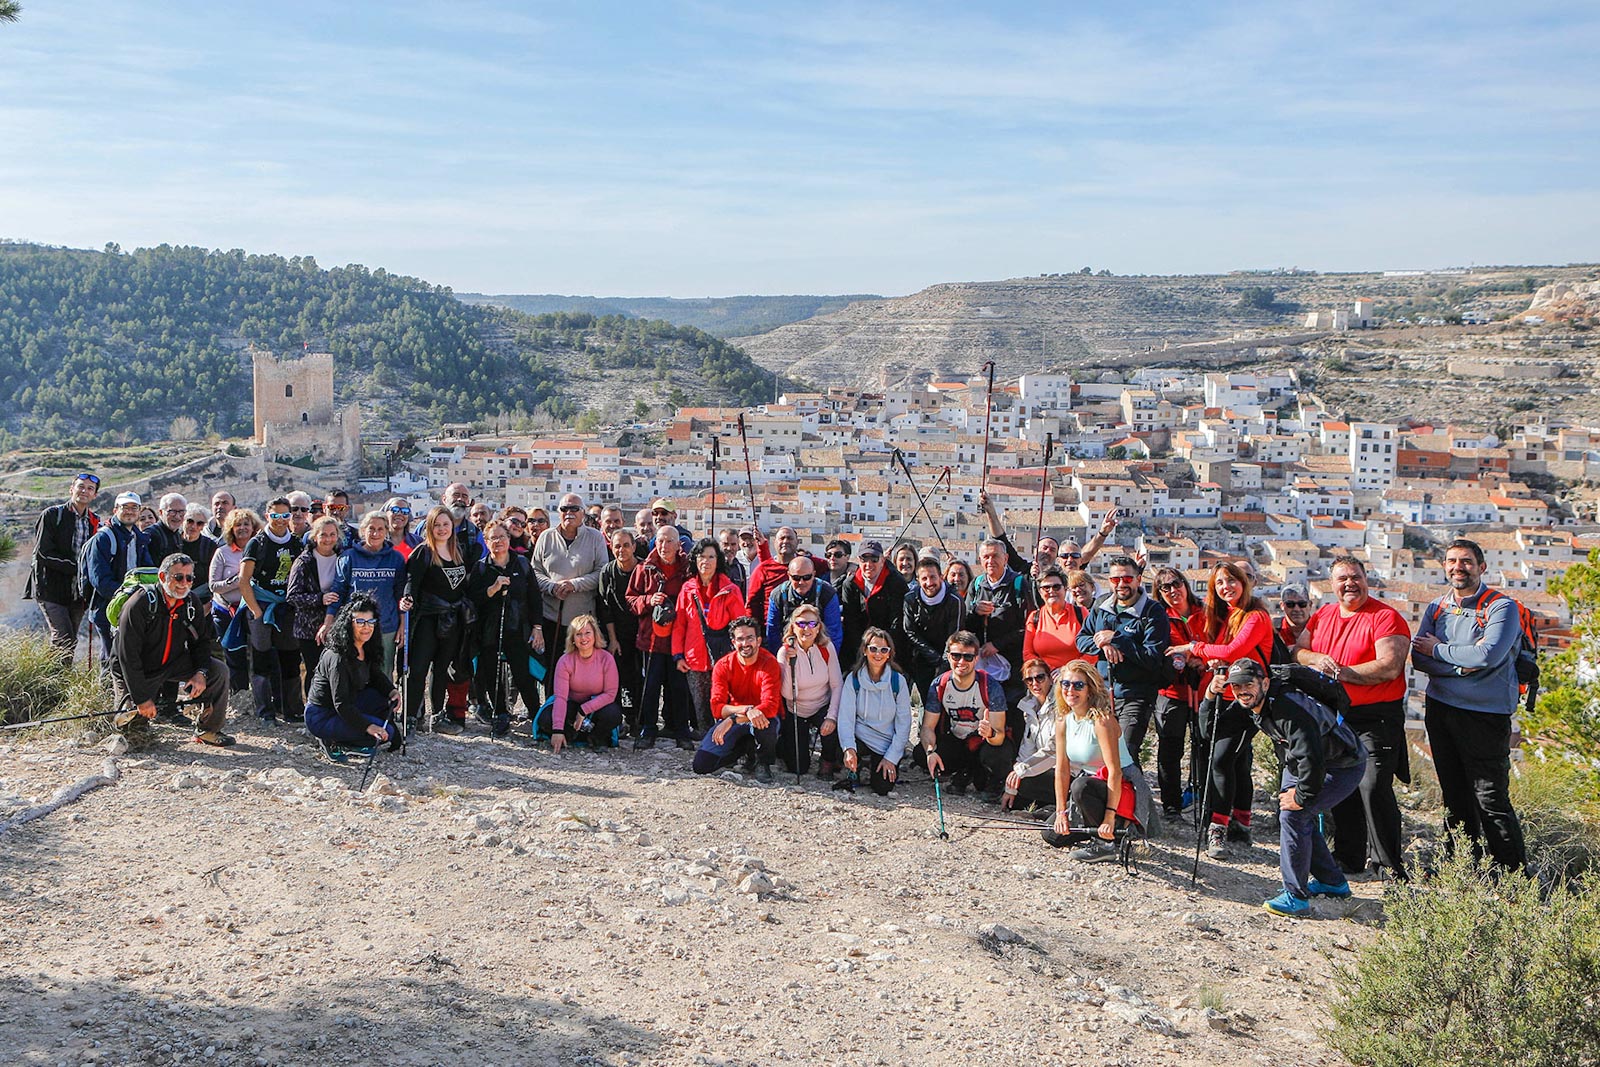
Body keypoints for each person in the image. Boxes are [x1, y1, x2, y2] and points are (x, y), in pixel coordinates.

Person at [1201, 659, 1367, 916]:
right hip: (1298, 761)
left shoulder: (1289, 708)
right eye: (1236, 687)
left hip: (1341, 763)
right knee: (1295, 815)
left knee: (1294, 813)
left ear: (1264, 683)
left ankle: (1296, 896)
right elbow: (1212, 730)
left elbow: (1312, 758)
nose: (1242, 691)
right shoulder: (1251, 703)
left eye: (1248, 684)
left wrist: (1301, 797)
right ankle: (1332, 882)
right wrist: (1211, 695)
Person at [1410, 539, 1528, 872]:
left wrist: (1439, 651)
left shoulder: (1501, 607)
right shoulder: (1437, 607)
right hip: (1441, 708)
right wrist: (1461, 665)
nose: (1457, 567)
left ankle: (1513, 874)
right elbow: (1419, 657)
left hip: (1486, 716)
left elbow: (1488, 654)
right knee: (1454, 794)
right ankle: (1460, 865)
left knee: (1490, 797)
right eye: (1451, 561)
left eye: (1466, 561)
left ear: (1481, 567)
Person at [1293, 556, 1411, 881]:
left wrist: (1342, 673)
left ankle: (1388, 865)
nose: (1349, 584)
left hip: (1376, 716)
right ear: (1332, 584)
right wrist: (1317, 659)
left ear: (1366, 578)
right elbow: (1299, 651)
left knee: (1373, 785)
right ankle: (1349, 857)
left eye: (1355, 577)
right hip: (1336, 715)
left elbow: (1390, 665)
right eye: (1342, 578)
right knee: (1343, 784)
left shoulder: (1386, 617)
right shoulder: (1324, 615)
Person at [1170, 561, 1275, 855]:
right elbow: (1223, 653)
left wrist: (1193, 648)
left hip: (1247, 700)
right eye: (1219, 584)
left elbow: (1232, 651)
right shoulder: (1226, 615)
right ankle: (1241, 822)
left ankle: (1218, 826)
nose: (1226, 587)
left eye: (1231, 581)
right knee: (1236, 762)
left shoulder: (1255, 616)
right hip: (1222, 694)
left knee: (1221, 759)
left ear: (1243, 582)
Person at [110, 553, 233, 746]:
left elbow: (201, 643)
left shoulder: (192, 604)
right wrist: (142, 699)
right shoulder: (138, 604)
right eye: (178, 577)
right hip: (137, 669)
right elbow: (127, 656)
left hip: (172, 662)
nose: (184, 583)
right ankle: (131, 716)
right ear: (162, 577)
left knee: (219, 672)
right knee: (132, 729)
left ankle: (208, 730)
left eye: (189, 578)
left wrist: (201, 673)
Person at [1043, 660, 1153, 861]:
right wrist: (1060, 812)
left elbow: (1115, 772)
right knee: (1051, 834)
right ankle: (1101, 831)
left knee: (1080, 786)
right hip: (1092, 788)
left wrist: (1110, 815)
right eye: (1065, 684)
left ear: (1090, 689)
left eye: (1078, 685)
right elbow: (1061, 769)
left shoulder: (1102, 721)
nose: (1070, 690)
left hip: (1120, 787)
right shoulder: (1063, 721)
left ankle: (1108, 841)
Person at [1075, 554, 1170, 769]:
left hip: (1135, 695)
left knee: (1125, 752)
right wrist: (1103, 643)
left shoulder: (1153, 612)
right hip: (1102, 693)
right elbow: (1081, 640)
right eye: (1115, 579)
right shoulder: (1101, 606)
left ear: (1138, 579)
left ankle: (1135, 801)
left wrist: (1118, 640)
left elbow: (1152, 657)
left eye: (1127, 579)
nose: (1121, 584)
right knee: (1098, 752)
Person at [468, 520, 546, 738]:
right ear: (486, 541)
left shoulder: (521, 564)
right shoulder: (481, 567)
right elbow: (473, 599)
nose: (498, 542)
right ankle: (500, 714)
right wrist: (492, 589)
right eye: (493, 538)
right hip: (489, 629)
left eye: (502, 537)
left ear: (509, 539)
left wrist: (537, 627)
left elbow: (534, 598)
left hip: (518, 628)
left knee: (522, 673)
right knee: (492, 673)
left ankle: (535, 713)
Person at [400, 505, 474, 731]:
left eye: (446, 524)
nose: (442, 529)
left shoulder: (460, 551)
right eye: (437, 525)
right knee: (418, 669)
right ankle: (410, 717)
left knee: (441, 669)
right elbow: (412, 582)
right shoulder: (423, 552)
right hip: (428, 619)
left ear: (453, 525)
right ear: (430, 528)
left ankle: (438, 715)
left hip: (452, 619)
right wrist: (407, 599)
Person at [304, 594, 402, 761]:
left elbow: (376, 675)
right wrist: (368, 726)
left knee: (385, 702)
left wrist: (392, 691)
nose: (366, 627)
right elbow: (341, 704)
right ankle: (333, 741)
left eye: (371, 622)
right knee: (384, 732)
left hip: (351, 701)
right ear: (348, 624)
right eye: (360, 622)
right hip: (324, 715)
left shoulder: (366, 646)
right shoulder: (338, 657)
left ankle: (350, 735)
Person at [239, 496, 305, 725]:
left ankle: (292, 710)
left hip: (286, 607)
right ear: (267, 516)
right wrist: (256, 611)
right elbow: (244, 580)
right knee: (261, 659)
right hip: (262, 605)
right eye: (275, 515)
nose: (280, 520)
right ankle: (265, 712)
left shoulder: (296, 544)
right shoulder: (257, 543)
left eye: (284, 515)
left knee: (290, 658)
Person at [692, 616, 783, 782]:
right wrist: (745, 711)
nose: (745, 643)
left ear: (759, 640)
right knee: (701, 765)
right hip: (737, 717)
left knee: (765, 721)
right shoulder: (723, 665)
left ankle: (763, 762)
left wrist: (733, 719)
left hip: (760, 718)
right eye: (740, 639)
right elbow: (716, 707)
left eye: (750, 638)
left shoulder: (769, 663)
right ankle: (741, 751)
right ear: (733, 642)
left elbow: (770, 706)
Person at [628, 524, 695, 749]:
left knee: (679, 687)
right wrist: (649, 600)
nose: (664, 546)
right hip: (652, 639)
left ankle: (681, 731)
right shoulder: (644, 568)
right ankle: (648, 729)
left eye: (669, 542)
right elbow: (630, 599)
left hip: (679, 640)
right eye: (660, 541)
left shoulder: (687, 568)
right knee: (650, 687)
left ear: (678, 545)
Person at [921, 630, 1010, 798]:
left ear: (976, 659)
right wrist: (930, 752)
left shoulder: (990, 686)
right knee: (921, 754)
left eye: (968, 657)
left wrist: (989, 732)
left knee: (997, 753)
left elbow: (1000, 735)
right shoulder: (939, 684)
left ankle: (992, 779)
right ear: (948, 657)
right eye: (956, 656)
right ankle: (965, 770)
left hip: (984, 742)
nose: (961, 662)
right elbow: (927, 727)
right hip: (958, 740)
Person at [674, 538, 745, 737]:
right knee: (701, 707)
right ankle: (708, 745)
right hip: (694, 658)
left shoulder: (730, 590)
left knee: (723, 704)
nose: (706, 561)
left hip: (723, 659)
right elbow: (679, 624)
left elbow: (740, 625)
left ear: (718, 560)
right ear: (695, 560)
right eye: (702, 556)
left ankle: (726, 743)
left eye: (711, 557)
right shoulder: (687, 589)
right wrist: (677, 655)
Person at [25, 472, 100, 663]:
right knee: (63, 638)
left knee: (70, 640)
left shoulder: (95, 521)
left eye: (90, 489)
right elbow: (44, 553)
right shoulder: (52, 515)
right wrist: (78, 568)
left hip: (78, 593)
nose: (84, 491)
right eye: (80, 486)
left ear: (95, 495)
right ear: (71, 489)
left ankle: (57, 681)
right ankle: (50, 684)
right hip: (50, 588)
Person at [1151, 566, 1204, 824]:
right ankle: (1171, 805)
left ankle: (1201, 796)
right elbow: (1163, 650)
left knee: (1203, 746)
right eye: (1165, 587)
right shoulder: (1158, 616)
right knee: (1170, 751)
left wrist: (1198, 657)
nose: (1173, 590)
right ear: (1159, 593)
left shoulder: (1205, 612)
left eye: (1176, 583)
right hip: (1171, 692)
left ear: (1185, 583)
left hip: (1203, 689)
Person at [835, 627, 914, 796]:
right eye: (873, 649)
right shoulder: (853, 679)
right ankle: (856, 764)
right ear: (864, 650)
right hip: (861, 735)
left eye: (883, 650)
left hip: (886, 742)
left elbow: (904, 724)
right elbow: (846, 718)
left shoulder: (897, 681)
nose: (878, 654)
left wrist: (891, 758)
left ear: (889, 654)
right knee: (836, 745)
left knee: (883, 787)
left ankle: (874, 765)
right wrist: (849, 748)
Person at [530, 492, 609, 656]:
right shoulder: (546, 537)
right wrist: (552, 587)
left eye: (574, 508)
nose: (569, 512)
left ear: (583, 513)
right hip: (550, 617)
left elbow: (602, 572)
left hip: (583, 622)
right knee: (551, 671)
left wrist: (575, 584)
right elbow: (535, 572)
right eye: (564, 508)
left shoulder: (595, 538)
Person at [333, 511, 408, 675]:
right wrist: (329, 622)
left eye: (380, 529)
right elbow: (338, 592)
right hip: (355, 626)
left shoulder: (396, 559)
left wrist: (403, 625)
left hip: (386, 626)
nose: (375, 533)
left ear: (386, 531)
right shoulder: (348, 557)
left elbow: (400, 594)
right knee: (355, 675)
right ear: (362, 530)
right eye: (371, 528)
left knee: (383, 675)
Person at [776, 603, 844, 777]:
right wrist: (791, 664)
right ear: (793, 627)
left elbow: (837, 685)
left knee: (831, 728)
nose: (807, 629)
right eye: (801, 624)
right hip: (796, 709)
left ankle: (828, 759)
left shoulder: (826, 647)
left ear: (818, 627)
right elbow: (788, 694)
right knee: (798, 768)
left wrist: (831, 717)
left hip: (822, 704)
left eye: (812, 624)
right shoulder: (784, 653)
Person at [539, 614, 623, 750]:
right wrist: (558, 730)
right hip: (570, 704)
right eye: (578, 634)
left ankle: (597, 737)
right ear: (572, 639)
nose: (583, 638)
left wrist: (584, 710)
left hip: (596, 706)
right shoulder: (565, 661)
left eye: (587, 633)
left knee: (614, 714)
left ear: (595, 635)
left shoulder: (606, 658)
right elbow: (560, 698)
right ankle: (568, 735)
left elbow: (610, 694)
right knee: (545, 718)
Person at [86, 491, 152, 658]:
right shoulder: (103, 538)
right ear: (115, 509)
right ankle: (107, 685)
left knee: (128, 657)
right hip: (108, 608)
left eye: (134, 507)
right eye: (125, 507)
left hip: (133, 606)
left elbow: (147, 570)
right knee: (111, 657)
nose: (129, 511)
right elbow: (100, 579)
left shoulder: (139, 538)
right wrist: (125, 597)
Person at [968, 538, 1030, 716]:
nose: (990, 561)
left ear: (1006, 558)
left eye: (995, 556)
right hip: (982, 663)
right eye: (986, 557)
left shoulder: (1018, 584)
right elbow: (964, 624)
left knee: (1011, 713)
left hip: (1012, 664)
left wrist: (998, 645)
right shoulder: (977, 584)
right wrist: (974, 611)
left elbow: (1028, 626)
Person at [286, 516, 345, 687]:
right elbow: (292, 596)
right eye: (323, 535)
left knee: (336, 671)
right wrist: (320, 599)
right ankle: (313, 710)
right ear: (315, 536)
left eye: (332, 534)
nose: (328, 539)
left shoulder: (344, 558)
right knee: (314, 671)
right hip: (309, 629)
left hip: (337, 624)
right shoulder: (303, 562)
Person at [208, 507, 259, 703]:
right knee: (233, 653)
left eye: (246, 524)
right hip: (226, 610)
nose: (243, 528)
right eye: (238, 525)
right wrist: (238, 580)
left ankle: (259, 697)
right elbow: (213, 585)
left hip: (252, 608)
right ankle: (238, 695)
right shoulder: (222, 553)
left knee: (258, 653)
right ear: (231, 529)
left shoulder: (259, 549)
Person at [902, 554, 966, 704]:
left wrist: (942, 663)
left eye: (932, 577)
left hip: (949, 659)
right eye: (924, 579)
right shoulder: (910, 599)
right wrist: (933, 657)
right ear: (918, 580)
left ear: (941, 577)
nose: (929, 583)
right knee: (926, 702)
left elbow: (954, 636)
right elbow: (910, 631)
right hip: (921, 657)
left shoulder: (954, 600)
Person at [597, 528, 643, 727]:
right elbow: (604, 608)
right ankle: (616, 722)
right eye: (617, 546)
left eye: (626, 545)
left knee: (638, 679)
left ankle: (638, 721)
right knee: (615, 678)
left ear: (633, 546)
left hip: (641, 634)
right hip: (616, 633)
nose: (622, 550)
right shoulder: (607, 571)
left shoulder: (644, 569)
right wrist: (613, 639)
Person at [1003, 658, 1060, 811]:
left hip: (1065, 769)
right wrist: (1012, 783)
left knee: (1023, 780)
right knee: (1013, 787)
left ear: (1050, 678)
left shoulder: (1062, 704)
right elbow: (1027, 747)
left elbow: (1055, 749)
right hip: (1042, 767)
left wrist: (1022, 771)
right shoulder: (1029, 706)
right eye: (1029, 680)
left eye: (1040, 677)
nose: (1035, 684)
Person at [838, 540, 908, 660]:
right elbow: (851, 623)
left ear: (882, 560)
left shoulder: (896, 582)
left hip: (890, 647)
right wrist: (862, 651)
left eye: (874, 559)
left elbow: (897, 622)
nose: (868, 564)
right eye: (864, 559)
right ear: (858, 561)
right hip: (860, 646)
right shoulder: (849, 584)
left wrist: (883, 651)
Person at [764, 554, 844, 653]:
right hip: (789, 649)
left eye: (807, 577)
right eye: (796, 578)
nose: (801, 582)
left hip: (819, 648)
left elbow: (833, 632)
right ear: (789, 575)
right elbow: (773, 632)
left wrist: (827, 659)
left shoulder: (827, 594)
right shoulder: (778, 595)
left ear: (814, 574)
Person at [745, 526, 812, 637]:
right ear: (775, 542)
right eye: (782, 538)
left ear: (797, 542)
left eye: (790, 538)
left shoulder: (808, 564)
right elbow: (752, 604)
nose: (785, 541)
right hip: (771, 631)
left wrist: (850, 566)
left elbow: (832, 565)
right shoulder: (763, 569)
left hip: (804, 631)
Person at [1022, 565, 1091, 672]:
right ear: (1040, 592)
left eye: (1056, 587)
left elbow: (1092, 652)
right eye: (1046, 588)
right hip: (1045, 680)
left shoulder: (1081, 613)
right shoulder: (1035, 617)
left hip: (1077, 677)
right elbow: (1028, 654)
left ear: (1065, 589)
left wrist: (1068, 672)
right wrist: (1048, 671)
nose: (1051, 591)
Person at [179, 504, 217, 601]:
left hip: (202, 597)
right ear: (183, 521)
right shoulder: (172, 542)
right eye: (190, 521)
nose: (193, 526)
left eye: (199, 523)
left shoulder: (210, 546)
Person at [146, 493, 187, 563]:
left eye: (181, 512)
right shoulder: (151, 534)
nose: (177, 516)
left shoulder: (178, 534)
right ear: (161, 512)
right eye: (172, 512)